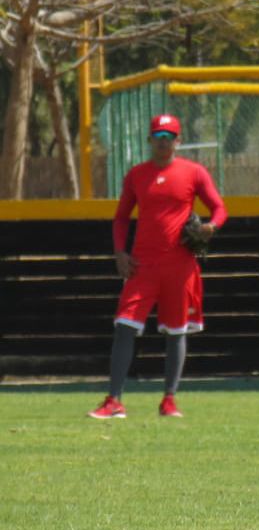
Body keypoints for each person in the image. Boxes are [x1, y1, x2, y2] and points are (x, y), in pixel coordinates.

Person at [89, 114, 226, 419]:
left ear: (178, 141)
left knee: (176, 332)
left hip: (180, 265)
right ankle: (114, 400)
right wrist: (119, 253)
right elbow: (122, 217)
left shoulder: (194, 172)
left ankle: (169, 400)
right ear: (150, 140)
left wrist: (210, 227)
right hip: (142, 266)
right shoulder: (137, 175)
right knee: (124, 325)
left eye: (169, 136)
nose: (163, 141)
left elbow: (219, 207)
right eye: (158, 135)